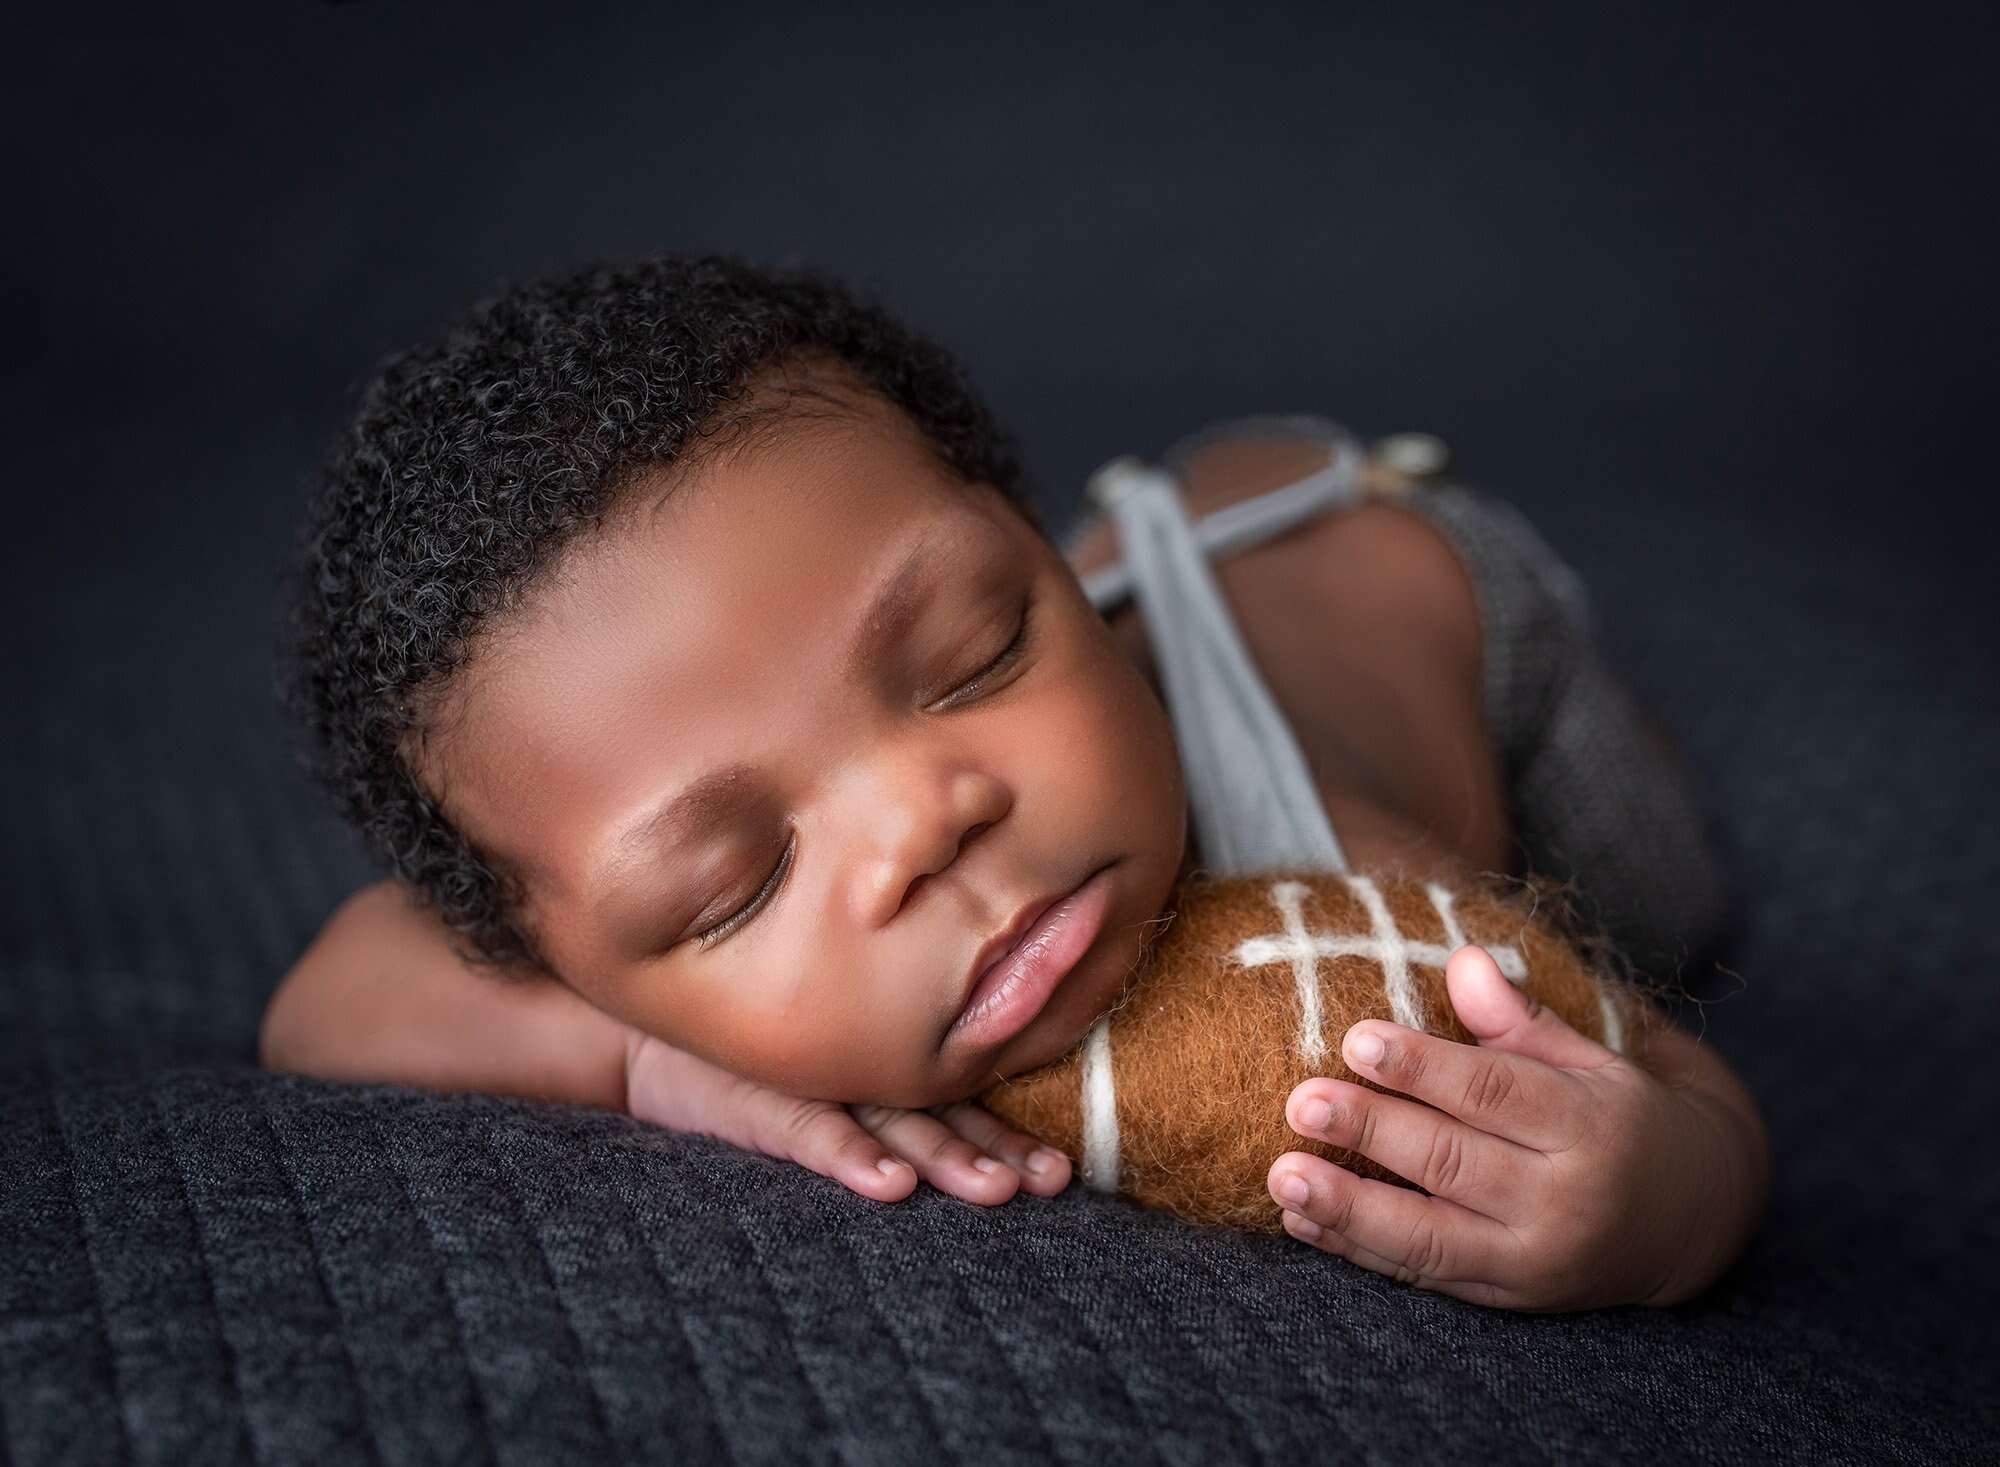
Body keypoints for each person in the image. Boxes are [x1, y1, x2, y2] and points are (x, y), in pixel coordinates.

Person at [263, 253, 1767, 1311]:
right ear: (564, 959)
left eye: (977, 655)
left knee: (1664, 900)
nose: (927, 822)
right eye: (734, 885)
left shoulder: (1346, 880)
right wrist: (645, 1063)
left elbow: (1694, 1109)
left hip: (1420, 583)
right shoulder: (578, 909)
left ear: (1035, 552)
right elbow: (324, 999)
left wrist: (1647, 1210)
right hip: (1161, 543)